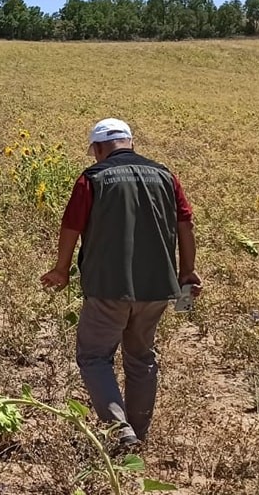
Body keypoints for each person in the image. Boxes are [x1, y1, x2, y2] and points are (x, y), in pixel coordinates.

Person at [40, 118, 199, 451]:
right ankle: (138, 435)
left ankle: (120, 431)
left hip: (107, 286)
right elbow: (185, 224)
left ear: (98, 148)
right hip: (157, 286)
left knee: (95, 357)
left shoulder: (93, 178)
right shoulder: (166, 176)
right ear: (130, 142)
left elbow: (71, 226)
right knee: (141, 358)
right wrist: (187, 272)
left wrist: (61, 269)